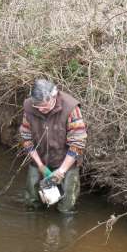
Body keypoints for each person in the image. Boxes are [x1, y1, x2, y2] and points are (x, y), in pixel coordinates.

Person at [19, 79, 87, 212]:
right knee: (32, 202)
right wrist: (40, 165)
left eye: (45, 106)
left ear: (54, 95)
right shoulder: (29, 106)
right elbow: (26, 138)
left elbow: (78, 143)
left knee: (67, 206)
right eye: (38, 108)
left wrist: (61, 171)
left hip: (66, 160)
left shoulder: (71, 108)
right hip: (40, 157)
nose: (41, 110)